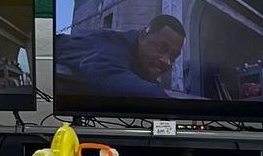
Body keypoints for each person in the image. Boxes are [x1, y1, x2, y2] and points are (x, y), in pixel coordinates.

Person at [54, 14, 185, 101]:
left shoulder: (138, 58)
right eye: (161, 49)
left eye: (173, 57)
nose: (167, 62)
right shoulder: (111, 46)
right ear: (142, 36)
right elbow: (107, 74)